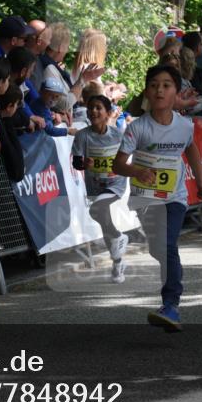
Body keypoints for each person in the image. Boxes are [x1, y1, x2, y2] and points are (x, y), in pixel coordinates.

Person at [113, 65, 202, 332]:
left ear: (176, 93)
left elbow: (190, 148)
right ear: (147, 90)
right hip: (146, 199)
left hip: (175, 197)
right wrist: (137, 171)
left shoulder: (184, 125)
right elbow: (118, 165)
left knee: (167, 244)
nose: (159, 90)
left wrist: (200, 182)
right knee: (160, 249)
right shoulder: (139, 128)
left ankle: (171, 304)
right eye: (154, 84)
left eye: (166, 85)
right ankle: (174, 277)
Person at [72, 94, 129, 282]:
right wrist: (84, 164)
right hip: (95, 184)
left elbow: (124, 158)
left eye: (98, 108)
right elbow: (77, 163)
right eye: (90, 108)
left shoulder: (118, 135)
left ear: (108, 113)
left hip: (115, 183)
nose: (93, 111)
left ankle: (119, 235)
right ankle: (118, 263)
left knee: (98, 209)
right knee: (104, 223)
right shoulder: (83, 135)